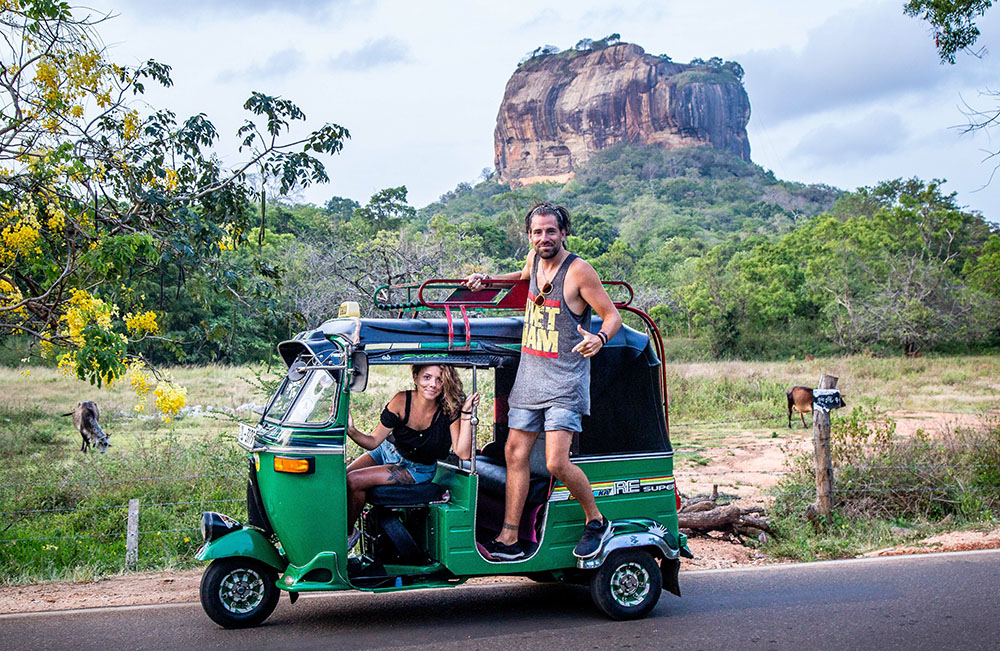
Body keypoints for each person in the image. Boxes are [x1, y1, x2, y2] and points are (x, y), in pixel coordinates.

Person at [465, 201, 622, 561]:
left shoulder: (579, 271)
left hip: (565, 382)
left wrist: (600, 338)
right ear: (530, 236)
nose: (544, 238)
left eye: (551, 230)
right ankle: (508, 538)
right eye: (537, 232)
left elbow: (610, 315)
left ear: (564, 231)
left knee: (555, 462)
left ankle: (596, 520)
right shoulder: (535, 261)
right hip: (530, 377)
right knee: (513, 453)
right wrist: (487, 280)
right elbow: (522, 278)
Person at [344, 364, 479, 548]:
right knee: (341, 479)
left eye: (439, 379)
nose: (433, 384)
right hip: (386, 451)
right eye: (427, 377)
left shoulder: (448, 409)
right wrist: (351, 430)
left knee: (354, 481)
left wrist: (466, 414)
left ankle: (349, 534)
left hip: (416, 468)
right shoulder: (401, 400)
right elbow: (374, 441)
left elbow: (462, 452)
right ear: (416, 377)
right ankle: (329, 532)